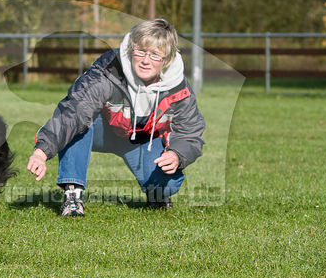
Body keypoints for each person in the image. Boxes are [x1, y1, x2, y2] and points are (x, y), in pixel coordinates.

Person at [27, 18, 205, 216]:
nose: (146, 60)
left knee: (169, 184)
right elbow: (73, 112)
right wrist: (41, 152)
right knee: (80, 123)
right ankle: (73, 196)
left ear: (167, 60)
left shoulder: (178, 86)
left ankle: (158, 195)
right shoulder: (108, 70)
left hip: (141, 140)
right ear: (131, 49)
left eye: (155, 55)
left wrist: (176, 154)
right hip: (103, 130)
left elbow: (190, 132)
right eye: (141, 52)